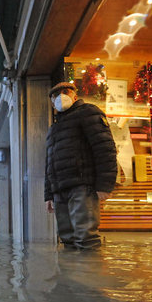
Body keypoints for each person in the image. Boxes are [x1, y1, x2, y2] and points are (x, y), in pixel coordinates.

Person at [44, 82, 117, 249]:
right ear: (51, 102)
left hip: (83, 186)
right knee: (67, 238)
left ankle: (90, 274)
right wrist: (49, 195)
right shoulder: (53, 129)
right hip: (60, 191)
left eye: (65, 92)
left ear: (74, 95)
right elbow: (49, 163)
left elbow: (105, 147)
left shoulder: (88, 113)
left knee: (86, 237)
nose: (60, 97)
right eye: (55, 96)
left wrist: (105, 185)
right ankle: (71, 275)